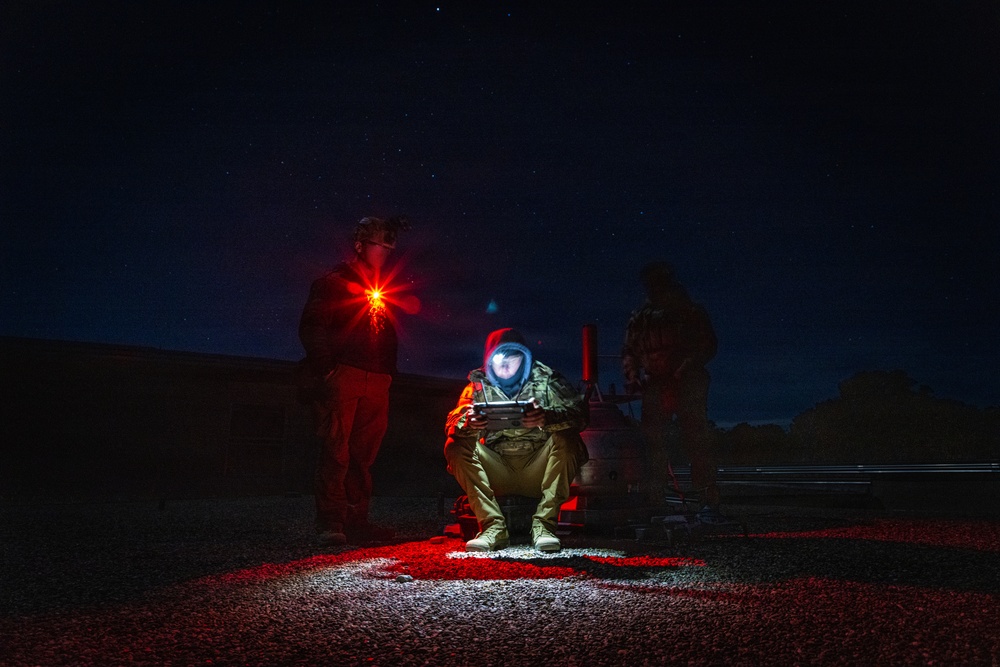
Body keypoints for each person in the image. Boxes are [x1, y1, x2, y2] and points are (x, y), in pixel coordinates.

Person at [298, 216, 417, 546]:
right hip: (344, 375)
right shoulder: (333, 283)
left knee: (363, 455)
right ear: (361, 245)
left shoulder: (382, 288)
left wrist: (388, 373)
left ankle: (356, 520)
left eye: (390, 248)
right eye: (382, 246)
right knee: (337, 451)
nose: (387, 253)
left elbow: (387, 334)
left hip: (377, 379)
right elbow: (313, 327)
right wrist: (328, 370)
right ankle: (331, 521)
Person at [444, 328, 589, 553]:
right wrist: (469, 421)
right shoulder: (477, 384)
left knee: (568, 439)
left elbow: (580, 414)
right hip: (497, 469)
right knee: (455, 445)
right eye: (500, 359)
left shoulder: (548, 378)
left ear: (524, 357)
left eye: (513, 358)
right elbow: (453, 419)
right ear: (489, 358)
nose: (506, 366)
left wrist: (547, 417)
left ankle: (544, 526)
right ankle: (492, 527)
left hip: (539, 469)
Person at [621, 262, 723, 521]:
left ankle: (708, 502)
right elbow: (629, 350)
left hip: (688, 381)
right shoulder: (641, 316)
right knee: (652, 443)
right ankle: (655, 501)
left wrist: (685, 367)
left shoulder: (688, 311)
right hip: (654, 384)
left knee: (697, 440)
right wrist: (633, 375)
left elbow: (707, 345)